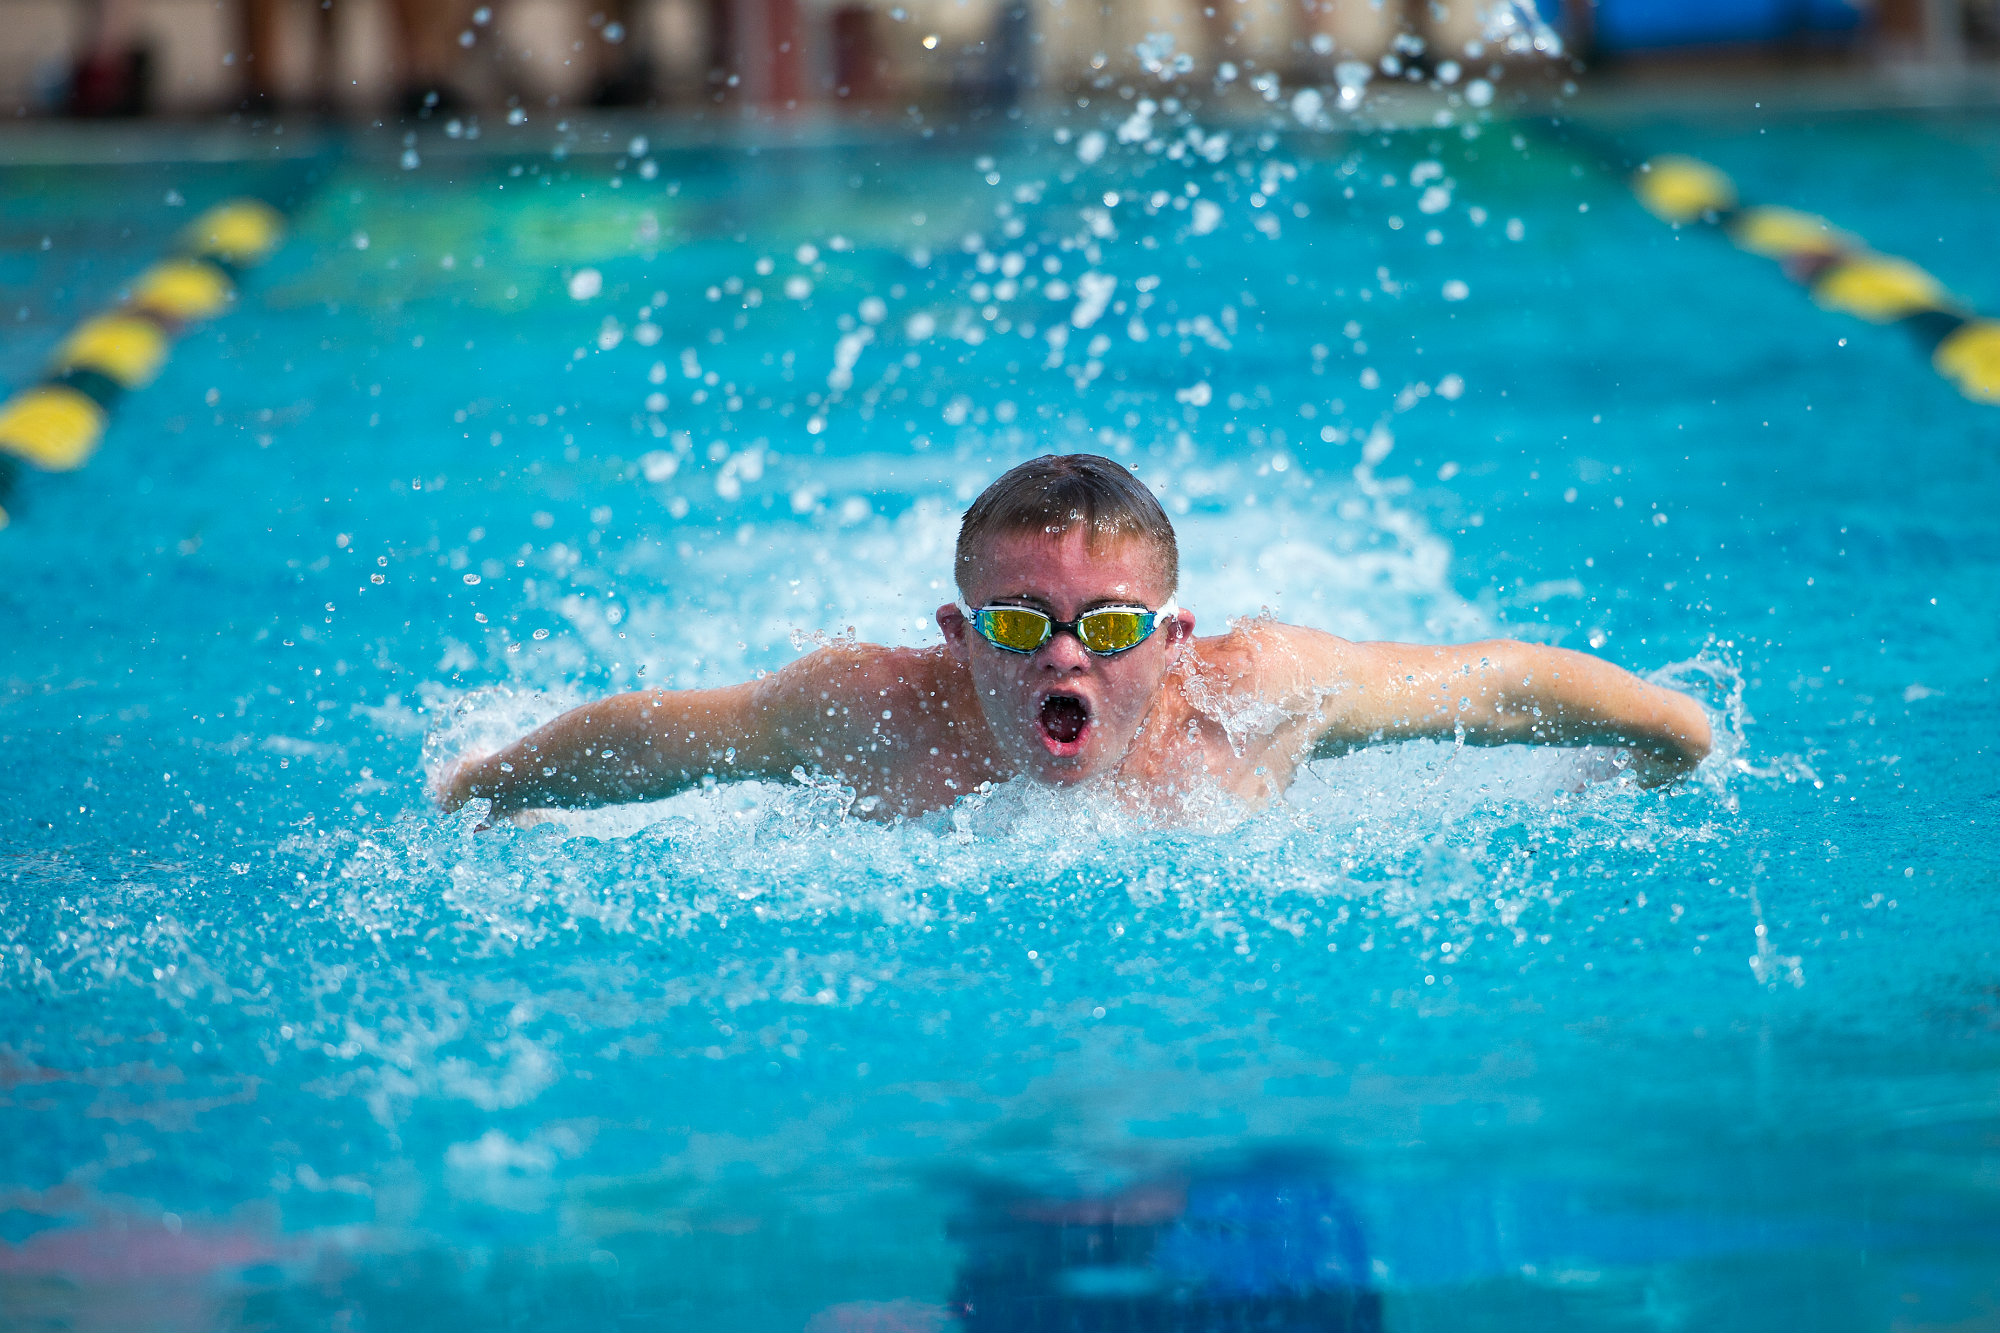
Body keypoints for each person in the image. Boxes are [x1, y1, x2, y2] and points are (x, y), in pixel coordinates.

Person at [435, 453, 1711, 824]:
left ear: (1172, 636)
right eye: (1015, 624)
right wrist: (484, 783)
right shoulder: (866, 711)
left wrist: (1671, 731)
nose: (1062, 656)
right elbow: (659, 740)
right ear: (955, 635)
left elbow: (1489, 685)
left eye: (1105, 624)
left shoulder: (1254, 695)